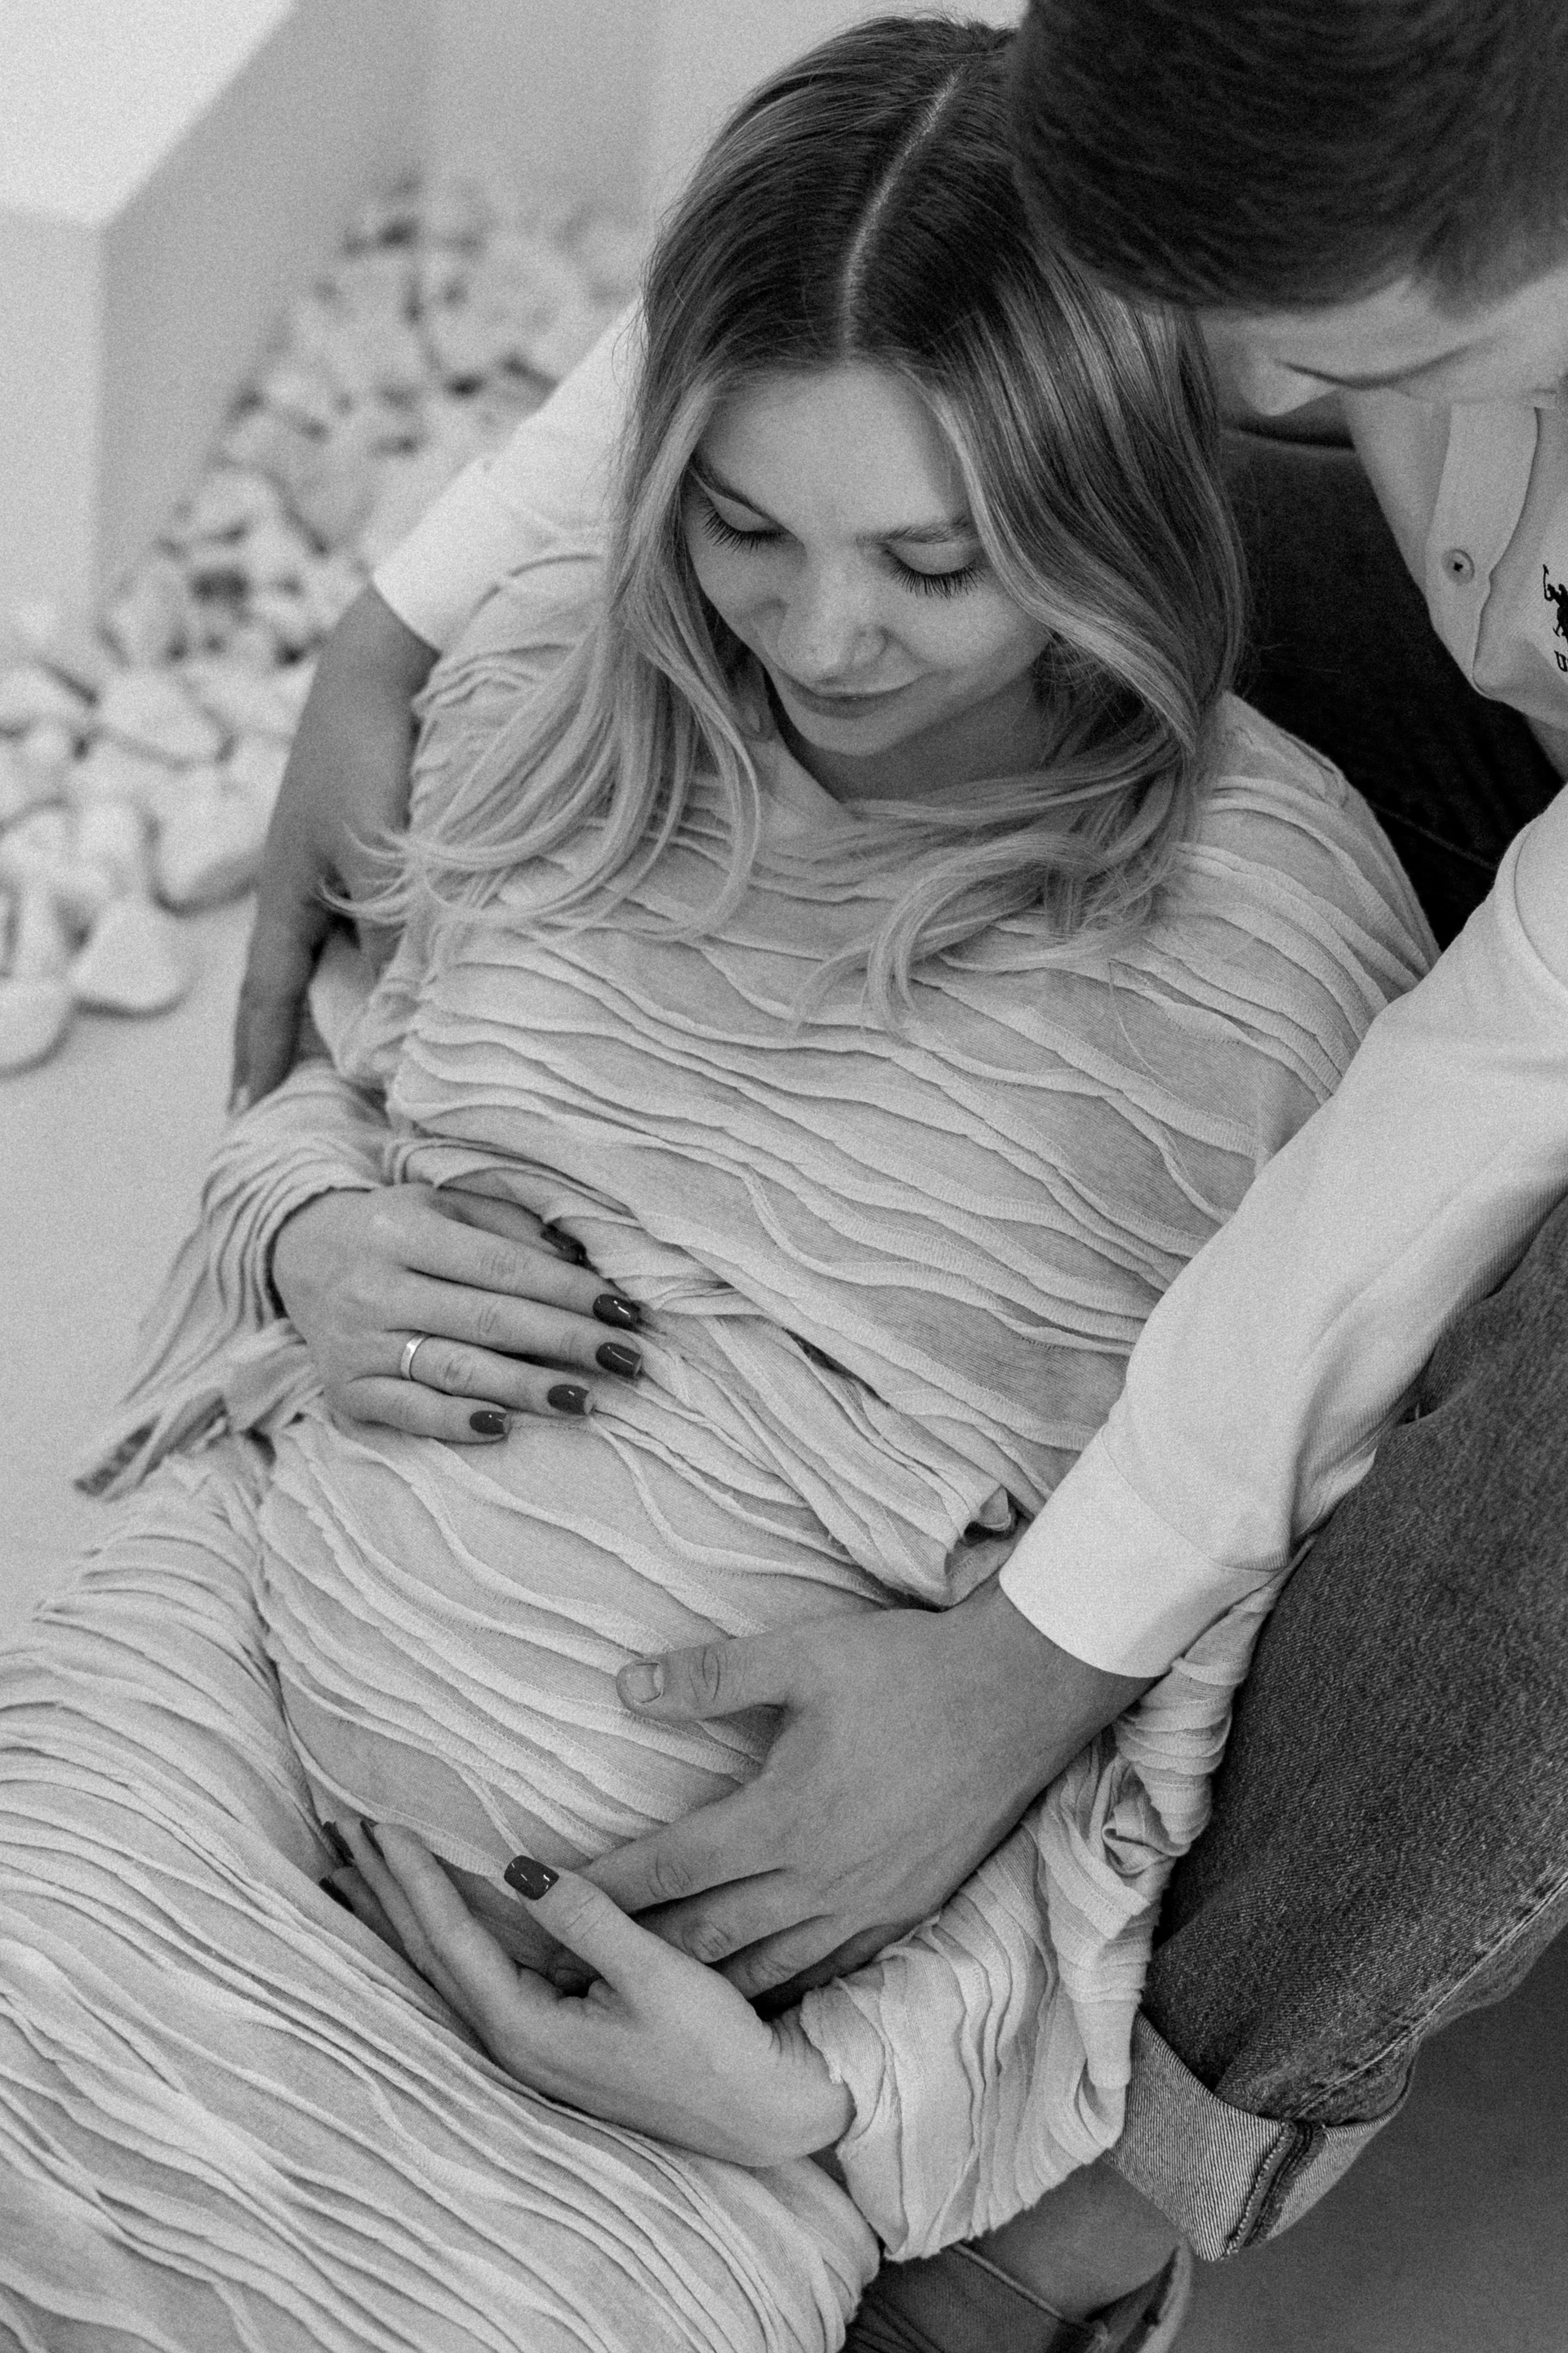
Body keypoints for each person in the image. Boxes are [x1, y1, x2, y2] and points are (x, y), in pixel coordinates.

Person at [0, 20, 1436, 2350]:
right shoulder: (564, 695)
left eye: (932, 562)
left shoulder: (1277, 951)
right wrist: (313, 1239)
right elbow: (332, 1106)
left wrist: (827, 2105)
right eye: (745, 527)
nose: (821, 637)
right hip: (226, 1722)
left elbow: (1185, 1681)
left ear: (1104, 515)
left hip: (675, 2063)